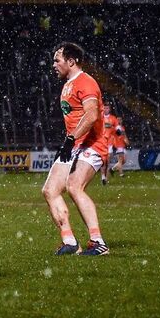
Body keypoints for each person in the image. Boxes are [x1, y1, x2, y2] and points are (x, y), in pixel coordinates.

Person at [41, 42, 109, 256]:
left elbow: (91, 115)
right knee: (50, 190)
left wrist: (70, 139)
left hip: (92, 144)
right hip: (74, 144)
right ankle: (69, 241)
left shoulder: (86, 82)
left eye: (57, 60)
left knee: (74, 186)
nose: (53, 64)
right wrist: (69, 143)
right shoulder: (68, 84)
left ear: (71, 61)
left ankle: (98, 243)